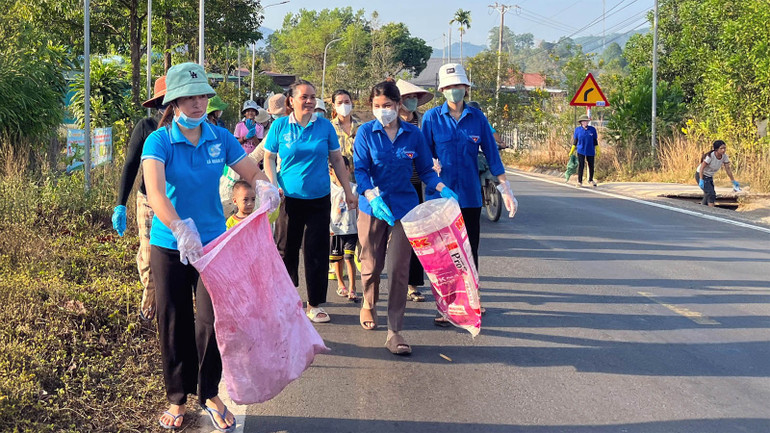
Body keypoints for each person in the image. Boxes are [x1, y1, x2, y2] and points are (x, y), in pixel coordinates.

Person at [141, 62, 279, 431]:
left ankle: (210, 392)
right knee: (174, 322)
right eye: (189, 96)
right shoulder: (159, 141)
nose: (198, 103)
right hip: (170, 244)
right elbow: (155, 192)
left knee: (212, 321)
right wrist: (177, 226)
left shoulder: (219, 137)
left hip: (214, 246)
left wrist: (264, 184)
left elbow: (249, 170)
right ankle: (176, 398)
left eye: (202, 95)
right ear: (173, 101)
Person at [354, 79, 457, 355]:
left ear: (398, 105)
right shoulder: (365, 133)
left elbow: (424, 169)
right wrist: (372, 197)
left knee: (399, 269)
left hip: (404, 208)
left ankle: (394, 331)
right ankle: (368, 301)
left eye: (387, 105)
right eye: (376, 106)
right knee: (372, 265)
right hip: (372, 207)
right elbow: (361, 171)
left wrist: (441, 187)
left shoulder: (413, 134)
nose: (382, 110)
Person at [422, 63, 516, 324]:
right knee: (443, 252)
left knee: (469, 248)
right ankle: (447, 305)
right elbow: (422, 153)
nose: (455, 91)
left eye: (459, 86)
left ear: (466, 88)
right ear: (442, 89)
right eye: (450, 87)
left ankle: (473, 299)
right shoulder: (431, 118)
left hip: (470, 197)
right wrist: (431, 163)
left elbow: (492, 153)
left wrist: (505, 187)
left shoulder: (477, 118)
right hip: (440, 197)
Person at [263, 79, 357, 324]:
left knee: (316, 251)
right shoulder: (280, 126)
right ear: (291, 100)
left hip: (319, 199)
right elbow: (269, 158)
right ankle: (286, 299)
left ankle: (314, 304)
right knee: (286, 249)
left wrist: (348, 191)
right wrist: (273, 186)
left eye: (312, 96)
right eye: (304, 96)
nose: (309, 101)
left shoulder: (324, 126)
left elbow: (337, 160)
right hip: (288, 199)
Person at [112, 75, 166, 321]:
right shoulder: (147, 128)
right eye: (163, 103)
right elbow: (131, 165)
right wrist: (121, 204)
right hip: (148, 200)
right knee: (147, 255)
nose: (169, 108)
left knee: (168, 256)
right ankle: (151, 299)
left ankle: (156, 305)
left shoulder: (189, 132)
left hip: (176, 201)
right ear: (157, 107)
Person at [395, 79, 434, 302]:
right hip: (395, 186)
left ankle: (413, 284)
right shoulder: (390, 123)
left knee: (417, 236)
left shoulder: (423, 123)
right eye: (407, 98)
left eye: (414, 98)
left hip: (419, 185)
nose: (411, 101)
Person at [329, 156, 359, 302]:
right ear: (331, 172)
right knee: (337, 259)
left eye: (343, 169)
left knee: (349, 258)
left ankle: (353, 288)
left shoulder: (355, 188)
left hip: (352, 230)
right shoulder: (330, 189)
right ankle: (341, 284)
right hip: (335, 230)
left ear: (349, 170)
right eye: (336, 170)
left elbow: (359, 209)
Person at [696, 140, 740, 206]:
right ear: (716, 149)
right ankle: (711, 210)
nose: (723, 150)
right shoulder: (710, 156)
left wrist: (733, 181)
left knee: (708, 194)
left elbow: (728, 169)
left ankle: (703, 208)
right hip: (701, 174)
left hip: (709, 176)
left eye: (724, 148)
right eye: (721, 148)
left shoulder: (724, 156)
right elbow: (702, 168)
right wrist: (701, 180)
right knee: (711, 193)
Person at [569, 114, 599, 187]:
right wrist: (572, 150)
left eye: (586, 121)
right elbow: (575, 140)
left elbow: (595, 140)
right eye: (584, 121)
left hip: (590, 150)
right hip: (581, 150)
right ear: (581, 122)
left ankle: (591, 180)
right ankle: (579, 181)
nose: (585, 122)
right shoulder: (578, 130)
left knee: (591, 165)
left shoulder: (592, 129)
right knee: (581, 165)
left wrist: (598, 149)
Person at [330, 89, 359, 159]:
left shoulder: (361, 126)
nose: (343, 105)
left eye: (346, 102)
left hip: (358, 169)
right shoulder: (329, 128)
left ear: (351, 103)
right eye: (340, 103)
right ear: (333, 106)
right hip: (335, 169)